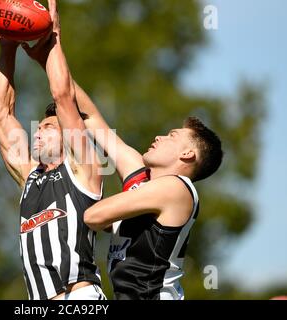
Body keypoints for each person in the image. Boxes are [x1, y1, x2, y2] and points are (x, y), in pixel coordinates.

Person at [22, 2, 223, 300]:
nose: (159, 136)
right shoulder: (142, 181)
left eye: (171, 135)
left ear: (188, 155)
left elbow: (93, 215)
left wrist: (95, 204)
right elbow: (91, 118)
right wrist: (51, 50)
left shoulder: (178, 189)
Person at [0, 0, 105, 300]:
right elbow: (1, 116)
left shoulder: (83, 169)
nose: (38, 131)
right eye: (39, 127)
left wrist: (53, 38)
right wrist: (7, 46)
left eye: (49, 127)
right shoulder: (30, 176)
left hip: (80, 297)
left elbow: (63, 97)